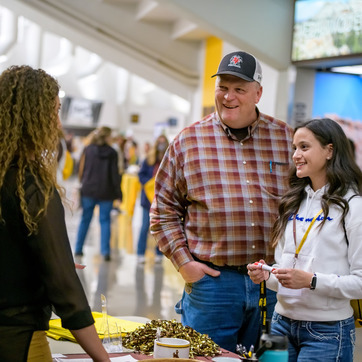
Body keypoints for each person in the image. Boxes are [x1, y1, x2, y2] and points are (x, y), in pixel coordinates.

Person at [149, 51, 293, 352]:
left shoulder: (284, 138)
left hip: (273, 282)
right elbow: (163, 211)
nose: (229, 96)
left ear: (258, 93)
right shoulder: (188, 141)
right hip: (213, 284)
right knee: (208, 359)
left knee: (270, 360)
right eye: (222, 87)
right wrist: (185, 263)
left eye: (239, 89)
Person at [0, 65, 110, 361]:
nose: (58, 124)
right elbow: (66, 293)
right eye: (54, 112)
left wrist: (41, 262)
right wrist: (103, 357)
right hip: (19, 340)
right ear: (32, 117)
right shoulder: (31, 186)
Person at [248, 118, 362, 361]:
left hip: (327, 333)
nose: (296, 155)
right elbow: (284, 271)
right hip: (280, 324)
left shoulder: (354, 207)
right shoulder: (292, 203)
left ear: (329, 150)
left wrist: (312, 281)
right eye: (294, 148)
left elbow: (360, 283)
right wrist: (268, 274)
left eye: (304, 147)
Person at [75, 126, 122, 261]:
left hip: (88, 189)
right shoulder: (112, 152)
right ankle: (105, 252)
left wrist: (82, 182)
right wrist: (118, 192)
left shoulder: (88, 149)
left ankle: (78, 249)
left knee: (85, 219)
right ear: (107, 137)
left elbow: (80, 168)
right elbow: (114, 175)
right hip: (106, 192)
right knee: (105, 221)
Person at [136, 135, 169, 264]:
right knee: (145, 227)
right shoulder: (148, 159)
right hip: (147, 201)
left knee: (160, 228)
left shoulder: (169, 158)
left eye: (163, 143)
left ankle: (158, 253)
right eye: (159, 143)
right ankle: (140, 253)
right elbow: (141, 175)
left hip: (162, 200)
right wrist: (148, 183)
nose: (161, 145)